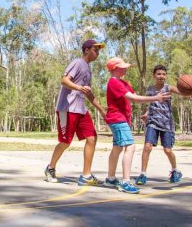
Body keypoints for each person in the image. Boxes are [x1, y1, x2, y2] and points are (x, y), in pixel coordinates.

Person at [103, 57, 170, 194]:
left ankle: (110, 178)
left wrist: (148, 111)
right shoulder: (114, 82)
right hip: (117, 118)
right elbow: (132, 98)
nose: (126, 68)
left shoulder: (123, 83)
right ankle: (125, 182)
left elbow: (136, 97)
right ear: (115, 69)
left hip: (120, 119)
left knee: (117, 147)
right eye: (123, 66)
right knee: (130, 146)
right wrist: (156, 98)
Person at [45, 39, 107, 186]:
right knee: (65, 141)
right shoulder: (78, 62)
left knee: (92, 138)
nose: (97, 53)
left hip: (81, 109)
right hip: (67, 108)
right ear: (86, 50)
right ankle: (50, 168)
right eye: (95, 50)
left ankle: (86, 175)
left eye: (98, 51)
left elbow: (89, 94)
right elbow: (64, 80)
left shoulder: (88, 69)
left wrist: (103, 111)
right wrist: (79, 88)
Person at [136, 65, 191, 186]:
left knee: (167, 150)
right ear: (154, 75)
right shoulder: (150, 89)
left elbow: (182, 92)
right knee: (147, 147)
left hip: (166, 123)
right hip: (153, 122)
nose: (161, 76)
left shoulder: (169, 88)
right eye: (159, 74)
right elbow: (151, 104)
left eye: (164, 74)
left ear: (166, 76)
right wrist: (146, 114)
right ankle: (143, 174)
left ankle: (175, 170)